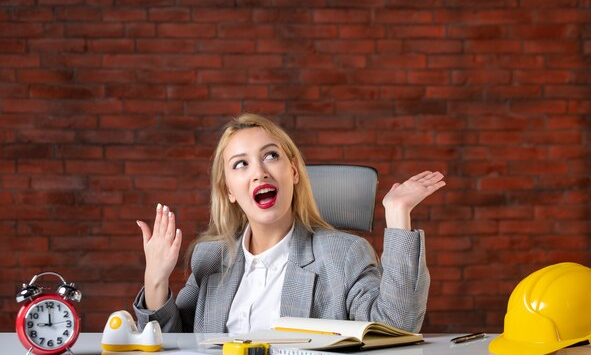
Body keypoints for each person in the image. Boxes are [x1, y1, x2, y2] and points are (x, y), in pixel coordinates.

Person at [133, 113, 445, 334]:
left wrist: (398, 214)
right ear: (229, 190)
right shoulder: (210, 258)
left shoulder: (344, 255)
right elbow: (173, 343)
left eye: (270, 156)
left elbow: (397, 327)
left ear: (294, 172)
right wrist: (156, 280)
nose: (259, 172)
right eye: (241, 164)